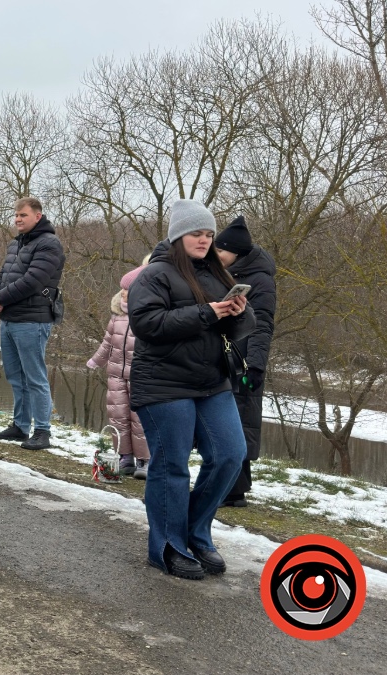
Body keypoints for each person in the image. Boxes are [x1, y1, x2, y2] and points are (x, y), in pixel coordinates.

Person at [128, 199, 254, 580]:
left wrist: (237, 313)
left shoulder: (218, 275)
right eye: (196, 233)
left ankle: (196, 533)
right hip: (164, 384)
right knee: (172, 467)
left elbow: (239, 331)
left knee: (231, 455)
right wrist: (207, 313)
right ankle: (166, 547)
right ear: (179, 235)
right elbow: (148, 324)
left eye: (209, 234)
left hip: (211, 382)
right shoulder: (155, 275)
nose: (204, 239)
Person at [0, 197, 66, 450]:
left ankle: (42, 431)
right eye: (16, 215)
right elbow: (2, 274)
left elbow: (33, 281)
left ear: (38, 216)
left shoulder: (49, 244)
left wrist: (1, 298)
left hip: (33, 320)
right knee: (15, 376)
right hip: (9, 319)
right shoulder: (16, 244)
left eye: (23, 215)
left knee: (35, 378)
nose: (18, 219)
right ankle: (20, 426)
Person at [215, 217, 276, 508]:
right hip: (223, 356)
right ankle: (234, 488)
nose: (216, 255)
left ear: (235, 252)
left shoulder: (259, 280)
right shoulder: (226, 273)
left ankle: (234, 491)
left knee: (239, 422)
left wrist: (255, 365)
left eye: (221, 251)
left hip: (242, 360)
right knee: (230, 422)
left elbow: (262, 325)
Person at [87, 266, 150, 480]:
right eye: (122, 289)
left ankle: (144, 459)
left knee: (139, 418)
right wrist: (96, 361)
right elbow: (107, 343)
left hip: (140, 375)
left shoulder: (147, 317)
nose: (123, 293)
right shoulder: (117, 317)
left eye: (128, 290)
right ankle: (125, 456)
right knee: (118, 417)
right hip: (115, 374)